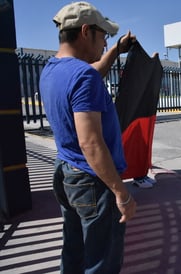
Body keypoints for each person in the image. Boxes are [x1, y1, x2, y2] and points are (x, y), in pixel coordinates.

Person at [39, 2, 137, 273]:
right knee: (101, 260)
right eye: (104, 35)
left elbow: (93, 72)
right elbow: (91, 143)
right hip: (92, 180)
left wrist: (118, 49)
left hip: (66, 173)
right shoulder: (83, 77)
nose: (105, 43)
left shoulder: (51, 70)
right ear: (85, 31)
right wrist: (122, 193)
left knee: (74, 250)